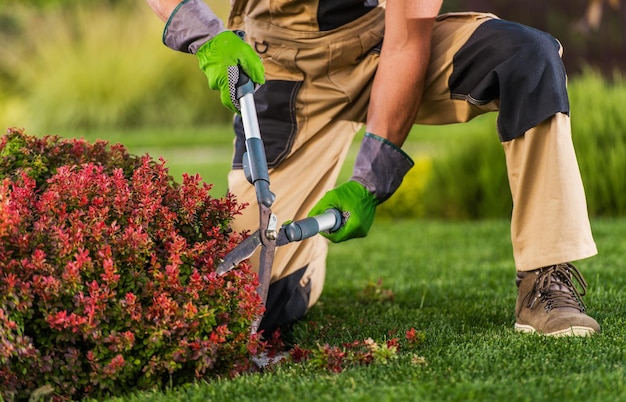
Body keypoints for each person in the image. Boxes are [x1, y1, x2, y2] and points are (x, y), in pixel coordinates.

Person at [145, 0, 600, 338]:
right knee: (258, 298)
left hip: (382, 45)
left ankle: (545, 279)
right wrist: (206, 34)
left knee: (528, 58)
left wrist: (369, 181)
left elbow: (406, 43)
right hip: (282, 67)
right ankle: (303, 261)